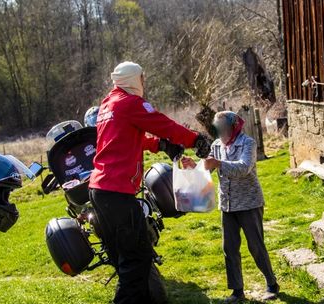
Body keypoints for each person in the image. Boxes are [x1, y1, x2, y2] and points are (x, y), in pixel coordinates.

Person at [89, 61, 211, 304]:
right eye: (142, 78)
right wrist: (195, 139)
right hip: (117, 193)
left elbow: (128, 137)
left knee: (125, 259)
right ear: (134, 79)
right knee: (137, 259)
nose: (144, 83)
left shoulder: (108, 105)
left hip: (100, 191)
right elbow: (162, 124)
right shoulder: (129, 103)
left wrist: (160, 145)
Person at [181, 111, 279, 303]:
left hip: (249, 203)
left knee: (256, 246)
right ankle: (237, 291)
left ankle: (272, 284)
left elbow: (244, 167)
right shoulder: (216, 146)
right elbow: (207, 166)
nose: (221, 132)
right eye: (218, 129)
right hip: (227, 205)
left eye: (223, 128)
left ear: (234, 127)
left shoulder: (248, 143)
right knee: (230, 248)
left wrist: (218, 163)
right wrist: (194, 165)